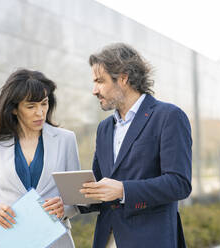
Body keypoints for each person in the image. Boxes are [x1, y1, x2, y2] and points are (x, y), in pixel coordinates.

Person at [79, 43, 192, 248]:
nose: (94, 90)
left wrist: (124, 190)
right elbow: (99, 185)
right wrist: (70, 201)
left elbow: (179, 183)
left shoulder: (168, 117)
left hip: (150, 240)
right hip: (107, 239)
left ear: (123, 78)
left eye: (100, 81)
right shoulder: (104, 128)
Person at [0, 69, 80, 248]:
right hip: (8, 240)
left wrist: (64, 207)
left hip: (56, 242)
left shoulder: (66, 140)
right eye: (31, 106)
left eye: (44, 104)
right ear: (14, 109)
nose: (40, 112)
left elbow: (76, 197)